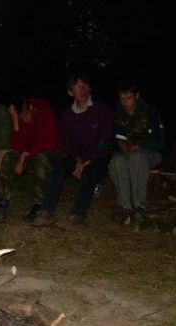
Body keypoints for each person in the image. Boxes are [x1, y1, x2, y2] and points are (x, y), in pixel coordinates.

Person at [33, 75, 114, 225]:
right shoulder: (67, 115)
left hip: (98, 157)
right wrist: (78, 160)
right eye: (77, 87)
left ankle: (78, 213)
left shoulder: (101, 109)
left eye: (85, 86)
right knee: (58, 167)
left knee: (89, 172)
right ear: (70, 93)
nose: (82, 89)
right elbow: (67, 142)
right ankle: (47, 211)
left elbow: (106, 141)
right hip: (79, 157)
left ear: (90, 88)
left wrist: (86, 162)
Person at [109, 82, 164, 224]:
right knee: (116, 160)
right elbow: (113, 138)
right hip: (126, 153)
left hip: (149, 154)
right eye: (122, 98)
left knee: (137, 158)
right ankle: (125, 207)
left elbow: (159, 142)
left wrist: (139, 145)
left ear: (137, 96)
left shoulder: (150, 112)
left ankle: (139, 206)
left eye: (128, 98)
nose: (125, 102)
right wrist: (119, 144)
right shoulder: (117, 114)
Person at [1, 96, 62, 222]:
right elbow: (17, 147)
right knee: (9, 156)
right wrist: (16, 121)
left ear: (31, 107)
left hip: (53, 153)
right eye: (22, 118)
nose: (26, 119)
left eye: (26, 116)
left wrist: (26, 154)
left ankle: (39, 205)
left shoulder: (46, 112)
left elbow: (51, 142)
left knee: (40, 158)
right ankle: (2, 201)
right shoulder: (21, 118)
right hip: (31, 153)